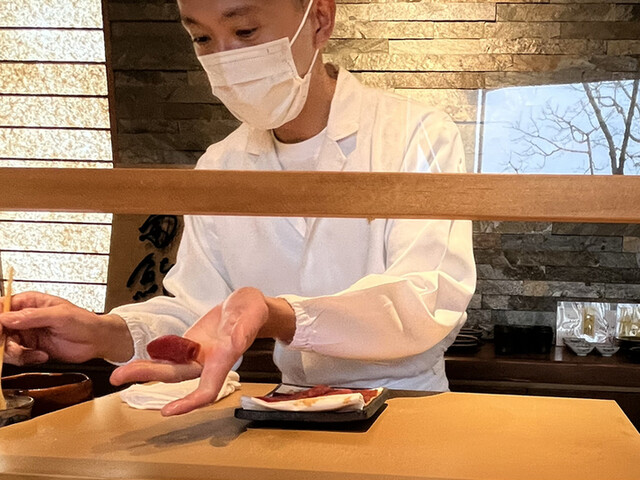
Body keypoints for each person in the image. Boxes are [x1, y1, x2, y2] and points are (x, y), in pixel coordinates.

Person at [0, 0, 476, 416]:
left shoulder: (416, 135)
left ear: (320, 18)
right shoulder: (221, 164)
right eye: (202, 38)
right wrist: (103, 333)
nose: (225, 58)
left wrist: (277, 315)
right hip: (287, 409)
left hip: (406, 405)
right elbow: (199, 313)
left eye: (245, 31)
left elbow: (426, 297)